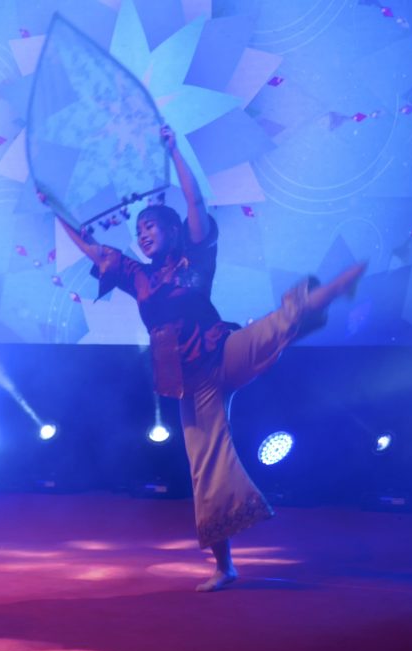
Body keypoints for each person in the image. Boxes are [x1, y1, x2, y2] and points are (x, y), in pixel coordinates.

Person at [55, 125, 366, 592]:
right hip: (189, 382)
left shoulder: (194, 258)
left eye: (151, 226)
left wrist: (175, 150)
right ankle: (225, 565)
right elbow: (89, 246)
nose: (143, 235)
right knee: (205, 465)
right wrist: (52, 206)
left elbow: (196, 202)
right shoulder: (137, 276)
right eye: (139, 230)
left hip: (223, 352)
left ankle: (337, 288)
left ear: (173, 230)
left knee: (278, 322)